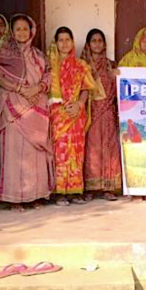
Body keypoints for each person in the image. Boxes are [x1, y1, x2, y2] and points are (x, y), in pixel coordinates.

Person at [0, 14, 53, 208]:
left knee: (35, 154)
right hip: (13, 109)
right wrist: (21, 90)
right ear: (12, 31)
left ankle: (36, 195)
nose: (21, 32)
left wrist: (37, 89)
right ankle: (14, 199)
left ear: (31, 31)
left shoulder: (38, 55)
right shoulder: (4, 53)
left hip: (36, 107)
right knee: (13, 153)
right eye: (17, 29)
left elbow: (48, 75)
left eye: (25, 29)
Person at [48, 27, 105, 206]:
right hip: (58, 115)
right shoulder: (50, 65)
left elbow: (87, 89)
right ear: (56, 43)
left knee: (76, 153)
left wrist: (79, 104)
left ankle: (75, 190)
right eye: (61, 40)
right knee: (60, 153)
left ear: (73, 42)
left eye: (68, 39)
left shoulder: (81, 65)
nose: (64, 43)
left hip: (76, 115)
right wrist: (63, 108)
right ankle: (60, 193)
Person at [81, 29, 123, 200]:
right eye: (94, 41)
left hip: (107, 114)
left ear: (105, 44)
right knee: (91, 149)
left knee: (109, 148)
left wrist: (119, 76)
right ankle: (91, 188)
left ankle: (109, 187)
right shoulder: (82, 65)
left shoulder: (111, 65)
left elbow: (120, 89)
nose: (97, 44)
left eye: (100, 41)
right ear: (88, 44)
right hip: (90, 113)